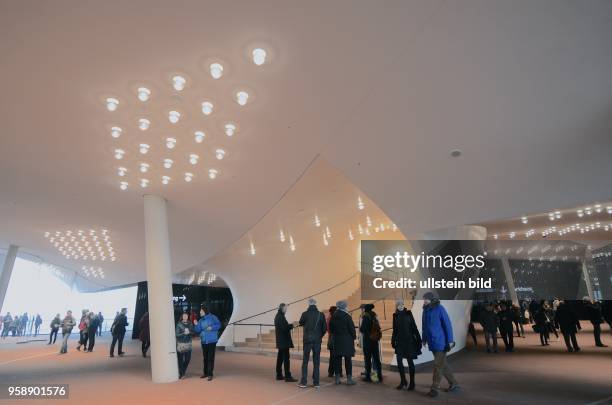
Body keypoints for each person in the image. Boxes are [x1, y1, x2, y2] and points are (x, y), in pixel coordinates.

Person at [422, 292, 459, 398]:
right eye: (424, 299)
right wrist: (424, 339)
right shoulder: (425, 310)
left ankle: (434, 388)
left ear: (431, 299)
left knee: (438, 365)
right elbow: (424, 326)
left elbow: (447, 324)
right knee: (443, 364)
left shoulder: (439, 308)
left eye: (426, 299)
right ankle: (454, 383)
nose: (424, 301)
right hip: (432, 342)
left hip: (441, 342)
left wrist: (450, 340)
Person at [392, 298, 421, 390]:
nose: (400, 306)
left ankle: (412, 383)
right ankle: (403, 381)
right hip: (400, 342)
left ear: (404, 305)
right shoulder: (395, 315)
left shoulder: (409, 313)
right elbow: (395, 330)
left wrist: (419, 340)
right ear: (396, 306)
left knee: (410, 362)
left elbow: (414, 327)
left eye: (402, 304)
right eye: (399, 304)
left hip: (409, 342)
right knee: (399, 361)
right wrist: (393, 340)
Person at [297, 298, 326, 389]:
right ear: (316, 304)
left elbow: (301, 323)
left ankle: (303, 382)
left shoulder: (305, 314)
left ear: (308, 304)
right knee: (316, 362)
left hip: (307, 340)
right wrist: (319, 336)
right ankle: (316, 383)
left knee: (305, 361)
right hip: (317, 341)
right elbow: (324, 328)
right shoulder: (320, 314)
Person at [329, 300, 356, 386]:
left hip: (337, 340)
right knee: (348, 360)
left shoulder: (334, 316)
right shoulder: (347, 316)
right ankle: (349, 379)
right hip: (347, 341)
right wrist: (354, 337)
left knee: (337, 360)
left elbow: (331, 329)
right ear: (344, 306)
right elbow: (352, 329)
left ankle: (337, 379)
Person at [193, 306, 221, 380]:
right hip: (204, 341)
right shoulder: (201, 320)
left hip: (212, 340)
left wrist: (212, 328)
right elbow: (197, 330)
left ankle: (210, 374)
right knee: (205, 358)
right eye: (200, 311)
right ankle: (205, 373)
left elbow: (219, 325)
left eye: (201, 311)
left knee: (210, 358)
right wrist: (196, 324)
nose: (200, 312)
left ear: (205, 311)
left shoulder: (213, 317)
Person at [274, 303, 297, 382]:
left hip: (281, 341)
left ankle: (279, 375)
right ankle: (288, 376)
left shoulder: (279, 316)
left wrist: (290, 325)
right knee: (286, 359)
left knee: (280, 358)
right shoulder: (280, 317)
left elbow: (283, 327)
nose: (286, 310)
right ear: (282, 308)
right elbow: (284, 328)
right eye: (285, 309)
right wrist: (292, 325)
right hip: (283, 341)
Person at [360, 303, 383, 383]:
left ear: (365, 309)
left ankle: (368, 377)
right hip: (375, 340)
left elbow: (362, 329)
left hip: (368, 341)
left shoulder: (365, 316)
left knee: (367, 359)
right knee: (376, 359)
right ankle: (379, 376)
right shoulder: (374, 316)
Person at [176, 312, 194, 379]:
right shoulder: (179, 325)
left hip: (188, 343)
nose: (185, 317)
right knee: (180, 360)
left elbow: (193, 332)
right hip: (181, 344)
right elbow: (177, 335)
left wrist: (190, 332)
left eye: (186, 315)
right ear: (182, 317)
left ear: (188, 316)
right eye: (184, 316)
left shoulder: (190, 324)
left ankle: (182, 371)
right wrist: (183, 333)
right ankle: (182, 374)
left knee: (187, 359)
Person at [326, 306, 338, 378]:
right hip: (335, 338)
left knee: (332, 356)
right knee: (336, 356)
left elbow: (328, 329)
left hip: (330, 337)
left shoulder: (328, 318)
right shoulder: (334, 318)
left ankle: (330, 372)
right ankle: (337, 372)